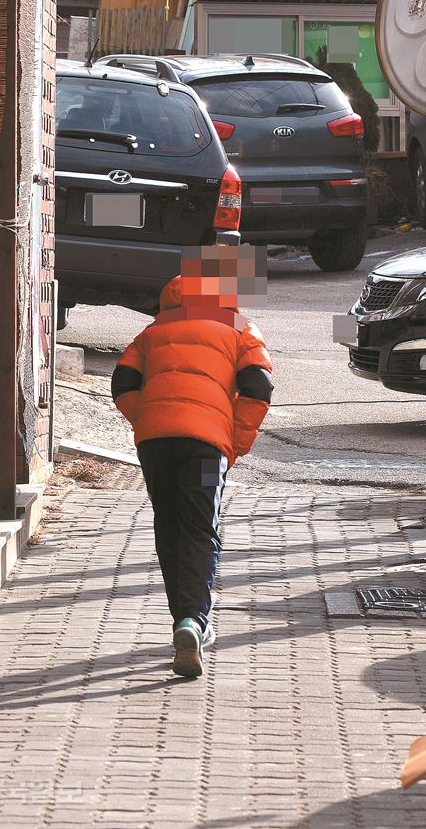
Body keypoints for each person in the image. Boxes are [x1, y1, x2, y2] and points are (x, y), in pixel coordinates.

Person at [111, 245, 273, 678]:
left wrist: (147, 418)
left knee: (169, 523)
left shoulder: (152, 331)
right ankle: (193, 622)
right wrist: (233, 443)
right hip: (204, 448)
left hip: (156, 445)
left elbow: (122, 381)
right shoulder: (240, 328)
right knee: (201, 526)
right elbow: (258, 386)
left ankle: (183, 619)